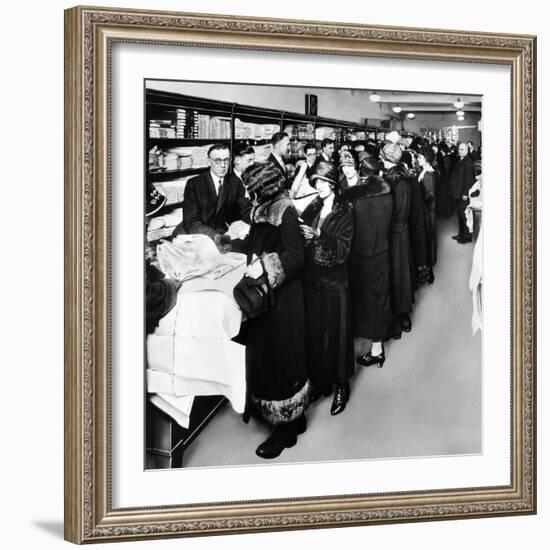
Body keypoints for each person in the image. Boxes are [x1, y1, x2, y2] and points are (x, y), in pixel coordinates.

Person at [240, 162, 309, 459]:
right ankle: (295, 420)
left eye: (249, 187)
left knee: (281, 359)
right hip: (270, 297)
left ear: (260, 189)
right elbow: (261, 242)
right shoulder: (263, 209)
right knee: (274, 356)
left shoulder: (285, 211)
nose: (247, 193)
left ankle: (284, 430)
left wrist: (265, 266)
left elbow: (296, 255)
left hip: (283, 301)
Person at [300, 161, 355, 415]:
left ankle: (342, 384)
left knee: (339, 333)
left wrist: (316, 238)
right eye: (315, 182)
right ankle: (321, 382)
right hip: (314, 281)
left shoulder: (345, 210)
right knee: (317, 332)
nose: (318, 186)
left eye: (322, 182)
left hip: (335, 282)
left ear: (333, 184)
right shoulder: (314, 205)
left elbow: (343, 250)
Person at [343, 156, 393, 369]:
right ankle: (377, 346)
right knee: (379, 300)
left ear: (361, 173)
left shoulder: (357, 199)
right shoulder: (387, 194)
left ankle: (375, 351)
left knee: (362, 300)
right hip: (382, 252)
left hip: (360, 256)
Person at [172, 144, 251, 241]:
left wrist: (258, 217)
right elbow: (192, 222)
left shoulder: (235, 182)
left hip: (221, 233)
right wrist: (219, 237)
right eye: (218, 161)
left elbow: (244, 209)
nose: (223, 165)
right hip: (194, 234)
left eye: (226, 160)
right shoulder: (194, 184)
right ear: (209, 161)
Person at [381, 143, 414, 337]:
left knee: (394, 274)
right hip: (402, 231)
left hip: (393, 233)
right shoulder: (404, 176)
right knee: (401, 274)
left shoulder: (392, 179)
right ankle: (403, 315)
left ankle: (397, 316)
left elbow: (391, 210)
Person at [450, 142, 476, 243]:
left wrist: (465, 193)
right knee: (460, 215)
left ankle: (466, 237)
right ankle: (461, 234)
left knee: (465, 216)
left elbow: (469, 180)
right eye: (459, 149)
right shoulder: (461, 160)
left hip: (463, 194)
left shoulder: (468, 162)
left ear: (467, 150)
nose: (460, 151)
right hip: (458, 193)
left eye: (462, 149)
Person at [417, 146, 437, 270]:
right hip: (426, 210)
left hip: (428, 211)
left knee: (429, 236)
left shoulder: (428, 174)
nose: (417, 159)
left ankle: (431, 260)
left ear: (426, 158)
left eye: (419, 157)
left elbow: (430, 196)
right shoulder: (425, 170)